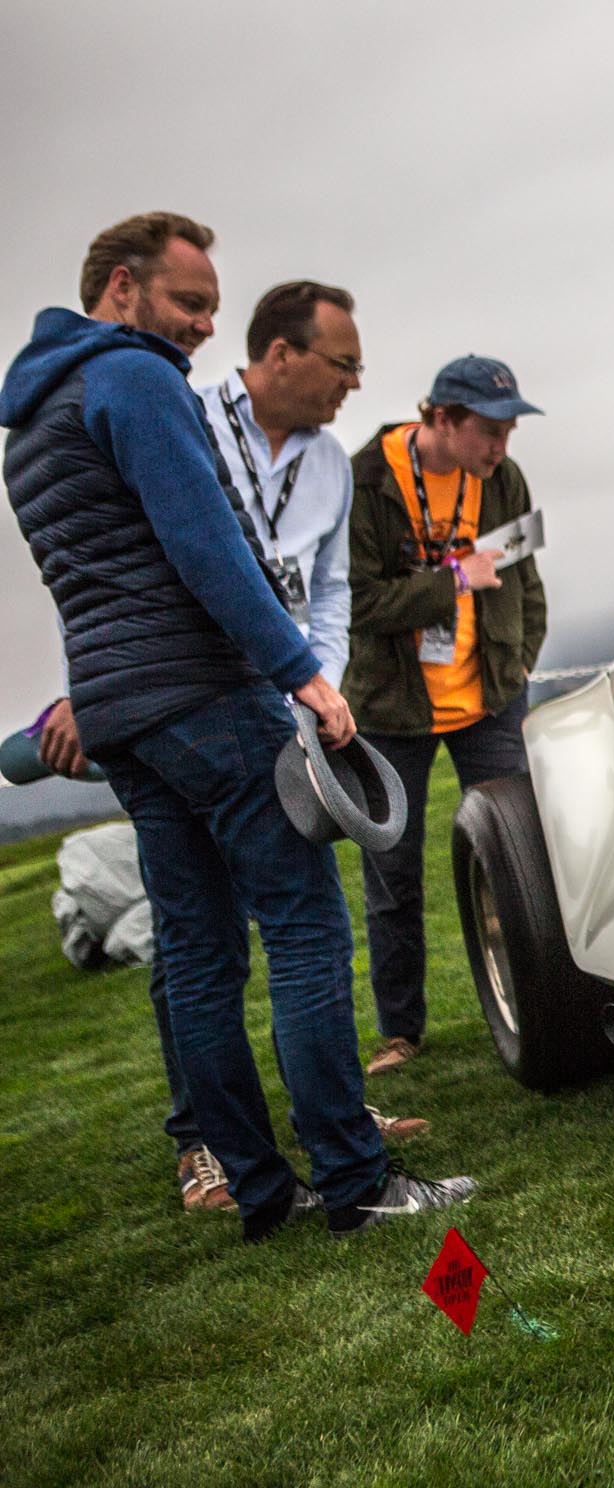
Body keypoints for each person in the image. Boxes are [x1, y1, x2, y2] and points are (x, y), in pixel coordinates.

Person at [0, 211, 473, 1239]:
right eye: (189, 303)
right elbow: (204, 543)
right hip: (207, 698)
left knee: (200, 952)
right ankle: (355, 1179)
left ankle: (261, 1192)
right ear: (121, 289)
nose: (204, 328)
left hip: (125, 718)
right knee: (306, 928)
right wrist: (302, 672)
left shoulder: (30, 422)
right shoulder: (130, 377)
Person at [343, 356, 547, 1076]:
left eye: (509, 430)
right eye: (488, 430)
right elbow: (361, 604)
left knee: (521, 862)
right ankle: (401, 1032)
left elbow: (525, 577)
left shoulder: (504, 481)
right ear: (441, 418)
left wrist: (520, 659)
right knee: (392, 872)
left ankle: (543, 1001)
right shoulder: (366, 480)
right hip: (391, 708)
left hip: (490, 698)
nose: (500, 446)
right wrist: (452, 580)